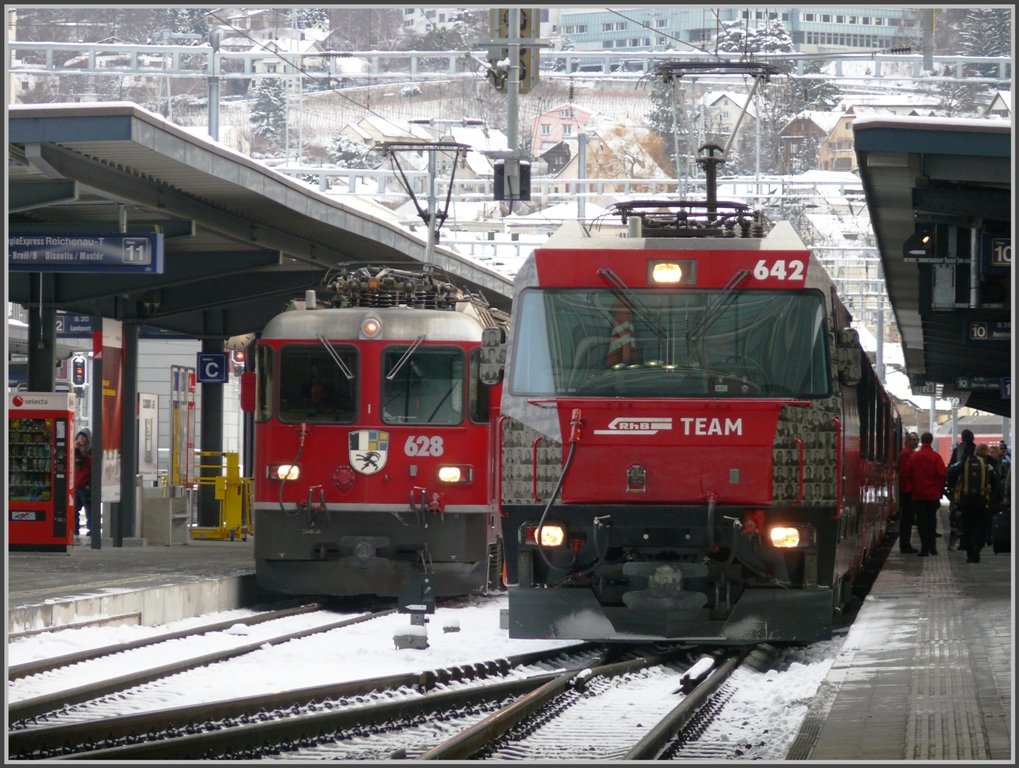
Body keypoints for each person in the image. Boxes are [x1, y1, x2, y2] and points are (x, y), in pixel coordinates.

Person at [946, 441, 997, 563]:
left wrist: (952, 487)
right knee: (980, 527)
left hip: (966, 502)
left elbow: (951, 473)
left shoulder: (964, 463)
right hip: (982, 502)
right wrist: (993, 500)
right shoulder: (989, 467)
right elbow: (996, 486)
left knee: (967, 526)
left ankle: (969, 552)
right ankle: (976, 549)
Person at [907, 431, 946, 557]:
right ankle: (932, 547)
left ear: (921, 441)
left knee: (922, 523)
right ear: (931, 441)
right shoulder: (936, 457)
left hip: (918, 495)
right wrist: (939, 491)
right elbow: (942, 474)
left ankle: (924, 549)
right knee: (931, 521)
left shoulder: (914, 457)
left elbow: (908, 474)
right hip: (933, 495)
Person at [945, 429, 975, 549]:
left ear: (962, 438)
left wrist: (949, 485)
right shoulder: (976, 450)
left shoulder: (959, 450)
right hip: (973, 490)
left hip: (959, 489)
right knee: (970, 516)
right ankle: (966, 542)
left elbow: (952, 467)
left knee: (956, 515)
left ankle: (954, 540)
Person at [897, 432, 919, 553]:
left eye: (917, 439)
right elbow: (905, 473)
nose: (915, 442)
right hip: (908, 490)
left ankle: (906, 544)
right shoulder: (906, 454)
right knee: (907, 519)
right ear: (908, 441)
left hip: (909, 489)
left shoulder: (909, 453)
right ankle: (905, 545)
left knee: (908, 519)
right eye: (913, 440)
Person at [73, 428, 92, 538]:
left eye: (83, 437)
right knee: (75, 510)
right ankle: (75, 529)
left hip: (85, 486)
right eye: (79, 437)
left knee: (89, 510)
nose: (81, 439)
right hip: (77, 485)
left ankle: (91, 530)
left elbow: (84, 462)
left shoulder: (89, 452)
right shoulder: (75, 451)